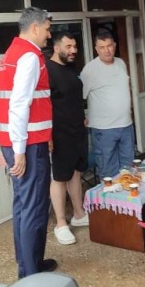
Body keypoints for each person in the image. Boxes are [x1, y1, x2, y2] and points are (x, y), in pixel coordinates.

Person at [0, 7, 57, 278]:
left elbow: (7, 103)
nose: (48, 35)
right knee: (34, 208)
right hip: (29, 145)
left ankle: (27, 264)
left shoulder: (11, 53)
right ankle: (31, 275)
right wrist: (19, 151)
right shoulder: (30, 56)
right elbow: (20, 104)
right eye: (47, 29)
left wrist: (9, 148)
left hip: (17, 142)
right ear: (35, 28)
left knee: (22, 205)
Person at [45, 32, 89, 245]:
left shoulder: (71, 68)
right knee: (59, 177)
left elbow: (73, 97)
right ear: (56, 47)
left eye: (75, 46)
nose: (73, 50)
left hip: (77, 131)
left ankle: (79, 214)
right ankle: (61, 223)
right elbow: (42, 107)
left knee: (76, 172)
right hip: (58, 133)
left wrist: (82, 116)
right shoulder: (47, 71)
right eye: (68, 46)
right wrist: (47, 136)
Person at [81, 30, 134, 179]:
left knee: (128, 169)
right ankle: (109, 203)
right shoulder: (90, 69)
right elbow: (79, 97)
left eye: (109, 46)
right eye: (102, 47)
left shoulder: (121, 63)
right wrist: (82, 116)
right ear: (96, 49)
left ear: (115, 46)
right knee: (108, 172)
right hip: (103, 129)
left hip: (126, 126)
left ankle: (126, 203)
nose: (107, 50)